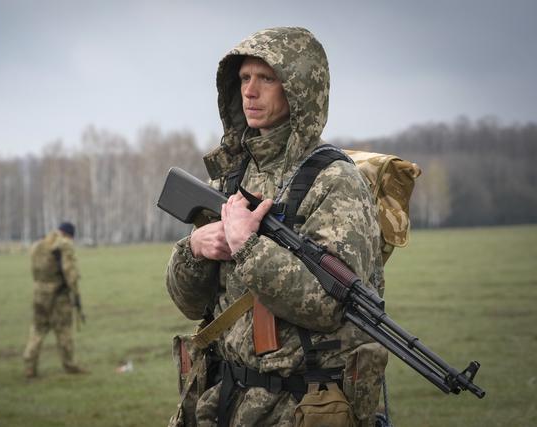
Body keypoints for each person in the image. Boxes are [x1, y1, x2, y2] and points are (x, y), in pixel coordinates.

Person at [166, 27, 387, 426]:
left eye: (266, 79)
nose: (250, 91)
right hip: (225, 401)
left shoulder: (335, 181)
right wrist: (195, 248)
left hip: (300, 406)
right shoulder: (234, 173)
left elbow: (330, 306)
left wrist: (248, 247)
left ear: (299, 88)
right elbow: (190, 304)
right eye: (244, 79)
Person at [23, 221, 84, 378]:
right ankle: (70, 365)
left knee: (37, 329)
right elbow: (70, 272)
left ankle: (29, 365)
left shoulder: (39, 244)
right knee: (64, 331)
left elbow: (34, 270)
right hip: (58, 296)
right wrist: (76, 295)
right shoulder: (64, 245)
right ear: (69, 235)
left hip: (39, 294)